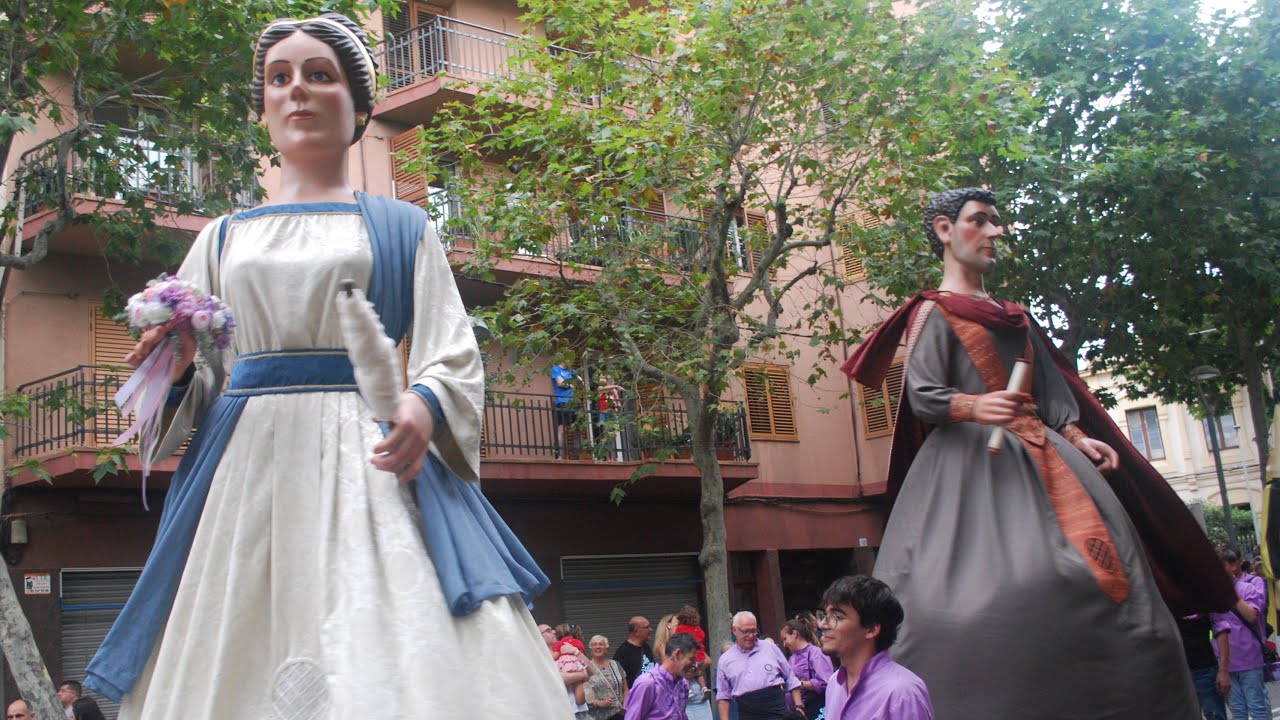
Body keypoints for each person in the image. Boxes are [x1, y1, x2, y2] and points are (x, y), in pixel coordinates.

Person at [81, 13, 570, 719]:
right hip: (243, 471)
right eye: (280, 79)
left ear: (359, 107)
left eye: (319, 75)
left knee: (390, 640)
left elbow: (451, 348)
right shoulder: (221, 239)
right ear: (263, 110)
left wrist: (422, 405)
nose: (297, 91)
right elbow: (197, 376)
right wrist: (179, 366)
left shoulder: (404, 228)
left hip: (367, 458)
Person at [840, 187, 1233, 719]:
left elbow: (1051, 395)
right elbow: (923, 393)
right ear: (944, 231)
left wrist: (1077, 436)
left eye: (998, 222)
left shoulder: (1016, 318)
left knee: (1116, 585)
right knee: (982, 597)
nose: (995, 233)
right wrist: (976, 407)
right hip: (969, 468)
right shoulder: (932, 315)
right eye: (981, 221)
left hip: (1050, 457)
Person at [818, 575, 932, 720]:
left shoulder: (902, 693)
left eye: (838, 617)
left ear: (871, 629)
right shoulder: (835, 683)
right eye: (824, 614)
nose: (822, 624)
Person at [1211, 547, 1272, 720]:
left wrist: (1231, 594)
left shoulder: (1247, 588)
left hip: (1249, 660)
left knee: (1257, 707)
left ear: (1232, 566)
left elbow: (1252, 615)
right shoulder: (1213, 594)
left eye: (1220, 566)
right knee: (1237, 711)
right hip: (1225, 662)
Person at [716, 611, 801, 720]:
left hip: (777, 708)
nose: (751, 636)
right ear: (734, 631)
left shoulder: (770, 647)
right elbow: (723, 696)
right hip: (747, 711)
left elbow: (790, 678)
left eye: (754, 631)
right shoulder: (725, 659)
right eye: (746, 631)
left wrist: (798, 706)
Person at [625, 632, 699, 720]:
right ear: (678, 654)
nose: (694, 665)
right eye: (691, 659)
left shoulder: (683, 684)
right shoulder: (647, 683)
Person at [1178, 613, 1227, 720]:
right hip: (1178, 675)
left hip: (1205, 670)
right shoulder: (1168, 602)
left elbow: (1221, 631)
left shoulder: (1204, 601)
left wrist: (1224, 671)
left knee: (1215, 715)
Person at [781, 615, 831, 719]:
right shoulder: (792, 658)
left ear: (794, 634)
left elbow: (824, 682)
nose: (784, 644)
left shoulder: (816, 653)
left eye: (785, 639)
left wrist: (799, 684)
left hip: (815, 708)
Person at [584, 634, 629, 720]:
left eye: (601, 644)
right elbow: (582, 693)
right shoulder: (586, 667)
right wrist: (597, 703)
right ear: (591, 649)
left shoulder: (616, 664)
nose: (598, 647)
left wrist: (625, 706)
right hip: (596, 716)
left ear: (606, 648)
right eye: (594, 644)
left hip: (619, 715)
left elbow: (626, 689)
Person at [616, 616, 658, 687]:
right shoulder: (623, 653)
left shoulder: (646, 647)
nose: (651, 629)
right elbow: (620, 682)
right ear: (636, 631)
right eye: (647, 627)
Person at [552, 363, 578, 456]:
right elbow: (560, 383)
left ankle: (577, 455)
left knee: (575, 429)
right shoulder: (556, 369)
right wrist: (571, 385)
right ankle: (560, 456)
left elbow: (580, 383)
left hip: (573, 402)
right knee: (561, 430)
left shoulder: (573, 371)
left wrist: (568, 384)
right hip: (561, 402)